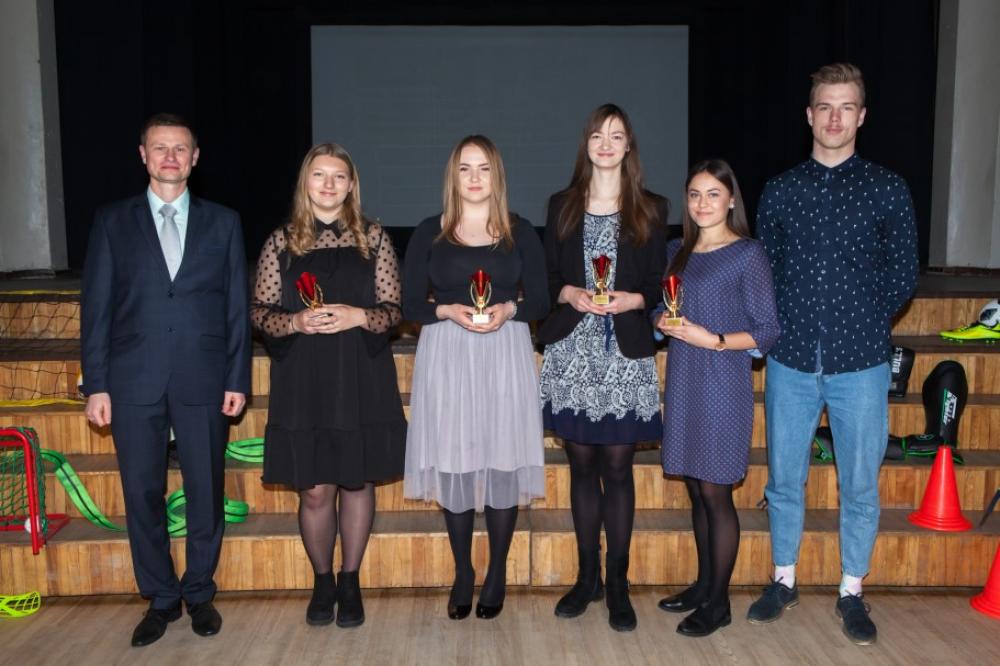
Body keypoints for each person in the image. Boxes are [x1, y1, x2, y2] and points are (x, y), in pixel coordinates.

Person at [749, 63, 919, 645]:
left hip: (862, 362)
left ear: (862, 116)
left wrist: (867, 322)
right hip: (791, 359)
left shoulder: (887, 189)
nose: (835, 118)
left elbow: (902, 272)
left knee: (861, 484)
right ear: (809, 114)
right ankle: (784, 579)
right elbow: (765, 271)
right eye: (825, 106)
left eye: (846, 107)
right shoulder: (780, 190)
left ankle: (852, 590)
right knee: (783, 478)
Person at [80, 113, 251, 647]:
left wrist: (237, 378)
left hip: (205, 378)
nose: (170, 157)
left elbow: (236, 309)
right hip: (132, 382)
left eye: (180, 148)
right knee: (141, 493)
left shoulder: (224, 223)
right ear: (143, 155)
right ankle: (159, 597)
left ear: (195, 157)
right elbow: (96, 309)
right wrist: (97, 383)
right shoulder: (112, 222)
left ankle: (198, 591)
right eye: (160, 147)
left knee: (206, 491)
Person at [251, 143, 406, 628]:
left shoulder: (373, 238)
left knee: (357, 481)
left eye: (339, 176)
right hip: (304, 379)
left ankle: (350, 580)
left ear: (351, 185)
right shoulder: (280, 242)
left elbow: (394, 310)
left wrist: (360, 315)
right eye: (319, 175)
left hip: (360, 374)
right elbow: (260, 312)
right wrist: (295, 323)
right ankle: (322, 582)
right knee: (315, 491)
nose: (329, 184)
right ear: (306, 182)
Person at [402, 135, 549, 621]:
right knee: (456, 462)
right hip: (448, 352)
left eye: (483, 168)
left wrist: (509, 309)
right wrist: (446, 310)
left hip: (505, 350)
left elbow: (542, 299)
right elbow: (408, 304)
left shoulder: (520, 231)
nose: (474, 177)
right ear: (453, 175)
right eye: (465, 168)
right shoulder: (430, 231)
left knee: (503, 461)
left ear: (497, 175)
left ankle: (498, 571)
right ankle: (463, 570)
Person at [538, 104, 668, 631]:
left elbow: (658, 284)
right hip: (572, 351)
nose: (607, 144)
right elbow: (546, 280)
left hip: (624, 352)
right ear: (586, 144)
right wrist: (570, 293)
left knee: (617, 468)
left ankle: (618, 581)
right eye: (598, 135)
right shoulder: (561, 205)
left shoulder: (652, 208)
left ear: (629, 145)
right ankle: (587, 576)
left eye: (616, 135)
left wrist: (634, 300)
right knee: (581, 466)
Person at [655, 159, 779, 637]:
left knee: (715, 491)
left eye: (712, 194)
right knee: (694, 485)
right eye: (694, 194)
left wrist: (717, 340)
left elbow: (768, 329)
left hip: (723, 380)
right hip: (684, 379)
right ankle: (704, 586)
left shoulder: (747, 254)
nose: (702, 203)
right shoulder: (677, 252)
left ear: (730, 200)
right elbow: (663, 309)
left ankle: (719, 602)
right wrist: (661, 321)